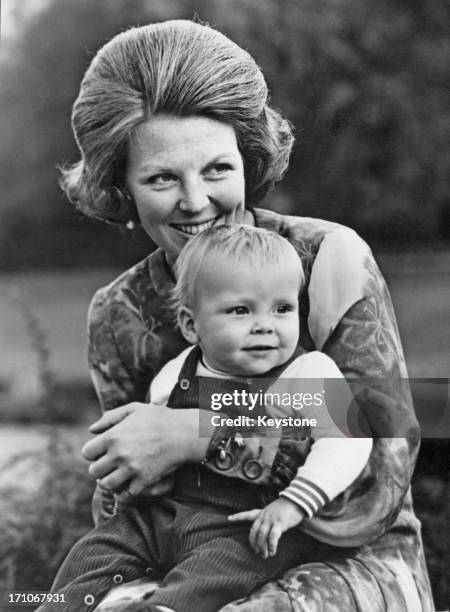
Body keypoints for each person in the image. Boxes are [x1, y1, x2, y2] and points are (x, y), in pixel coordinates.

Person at [56, 19, 433, 612]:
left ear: (248, 158)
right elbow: (130, 498)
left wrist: (195, 432)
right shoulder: (118, 315)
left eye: (216, 169)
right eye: (160, 178)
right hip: (188, 557)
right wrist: (124, 477)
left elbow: (378, 479)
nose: (196, 201)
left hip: (347, 560)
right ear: (121, 186)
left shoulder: (327, 258)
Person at [39, 226, 373, 612]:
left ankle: (164, 607)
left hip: (245, 521)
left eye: (282, 308)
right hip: (166, 516)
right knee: (98, 548)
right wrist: (139, 484)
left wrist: (294, 503)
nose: (265, 324)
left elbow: (349, 438)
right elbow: (151, 444)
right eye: (241, 310)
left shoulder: (309, 371)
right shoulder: (176, 372)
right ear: (190, 324)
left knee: (224, 567)